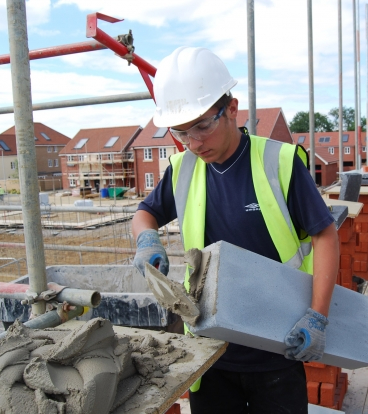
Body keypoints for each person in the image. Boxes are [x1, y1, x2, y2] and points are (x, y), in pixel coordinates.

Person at [131, 46, 339, 413]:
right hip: (210, 351)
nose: (193, 142)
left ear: (232, 109)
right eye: (181, 132)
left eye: (202, 125)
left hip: (277, 346)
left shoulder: (279, 162)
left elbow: (325, 235)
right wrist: (147, 240)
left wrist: (318, 315)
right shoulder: (182, 169)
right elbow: (144, 213)